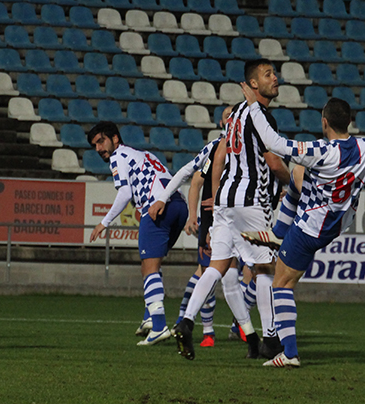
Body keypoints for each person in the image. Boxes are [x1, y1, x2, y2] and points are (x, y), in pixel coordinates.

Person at [240, 95, 365, 368]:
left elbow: (273, 143)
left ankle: (290, 353)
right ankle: (278, 232)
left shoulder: (321, 150)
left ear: (324, 122)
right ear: (350, 122)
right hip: (339, 222)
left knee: (281, 285)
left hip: (311, 227)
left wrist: (252, 106)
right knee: (297, 173)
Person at [152, 59, 290, 361]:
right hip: (250, 202)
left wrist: (217, 193)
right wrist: (289, 182)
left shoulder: (235, 116)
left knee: (217, 266)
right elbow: (274, 161)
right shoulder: (260, 115)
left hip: (225, 202)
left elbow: (219, 157)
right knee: (265, 267)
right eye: (268, 75)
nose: (275, 78)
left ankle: (187, 321)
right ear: (253, 84)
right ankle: (269, 338)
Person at [87, 121, 189, 346]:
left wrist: (104, 222)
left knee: (150, 266)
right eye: (94, 145)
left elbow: (125, 193)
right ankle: (149, 318)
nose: (98, 149)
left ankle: (160, 326)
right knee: (150, 265)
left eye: (101, 141)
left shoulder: (118, 157)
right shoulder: (141, 154)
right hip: (179, 206)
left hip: (156, 208)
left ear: (115, 139)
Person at [157, 107, 249, 349]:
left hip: (242, 217)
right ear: (222, 121)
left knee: (241, 273)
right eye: (228, 115)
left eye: (235, 115)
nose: (231, 118)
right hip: (213, 219)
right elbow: (194, 178)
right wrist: (190, 214)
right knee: (211, 270)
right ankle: (207, 329)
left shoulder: (249, 146)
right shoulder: (215, 148)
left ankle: (243, 328)